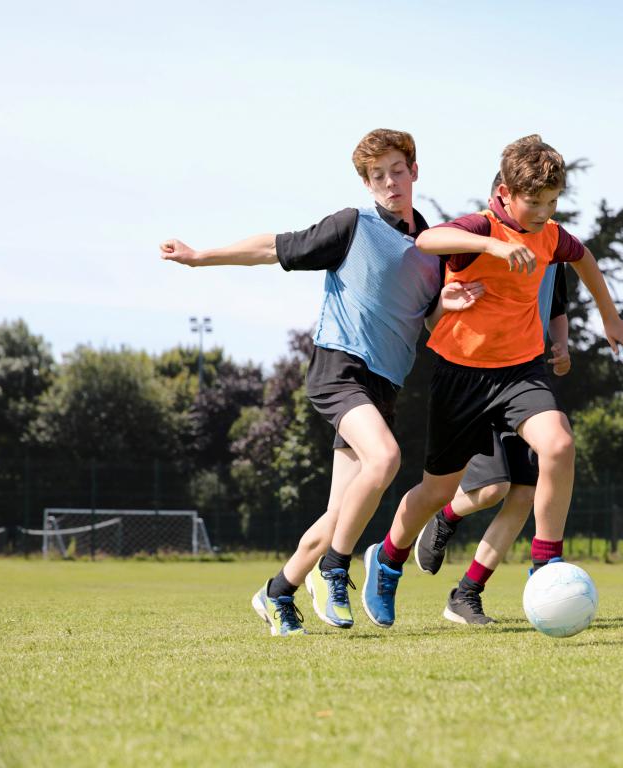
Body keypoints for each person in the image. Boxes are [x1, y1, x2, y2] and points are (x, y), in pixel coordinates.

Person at [160, 128, 483, 636]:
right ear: (367, 183)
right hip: (339, 369)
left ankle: (277, 593)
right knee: (386, 458)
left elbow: (422, 322)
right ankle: (335, 568)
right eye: (378, 176)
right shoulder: (352, 226)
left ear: (414, 171)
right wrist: (203, 256)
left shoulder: (432, 248)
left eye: (398, 170)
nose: (390, 182)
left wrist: (448, 305)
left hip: (383, 386)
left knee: (340, 513)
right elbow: (273, 247)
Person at [360, 134, 623, 628]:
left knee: (557, 445)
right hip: (460, 376)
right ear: (507, 194)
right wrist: (491, 242)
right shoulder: (481, 226)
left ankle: (546, 563)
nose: (544, 212)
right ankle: (386, 560)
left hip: (519, 372)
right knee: (434, 492)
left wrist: (610, 317)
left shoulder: (551, 234)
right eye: (535, 203)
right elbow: (428, 240)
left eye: (553, 202)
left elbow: (584, 258)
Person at [413, 174, 573, 626]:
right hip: (474, 381)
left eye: (548, 201)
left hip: (525, 377)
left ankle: (466, 593)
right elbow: (433, 321)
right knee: (491, 489)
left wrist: (561, 346)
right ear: (498, 201)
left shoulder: (549, 251)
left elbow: (557, 310)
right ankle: (444, 515)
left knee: (524, 489)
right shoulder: (474, 248)